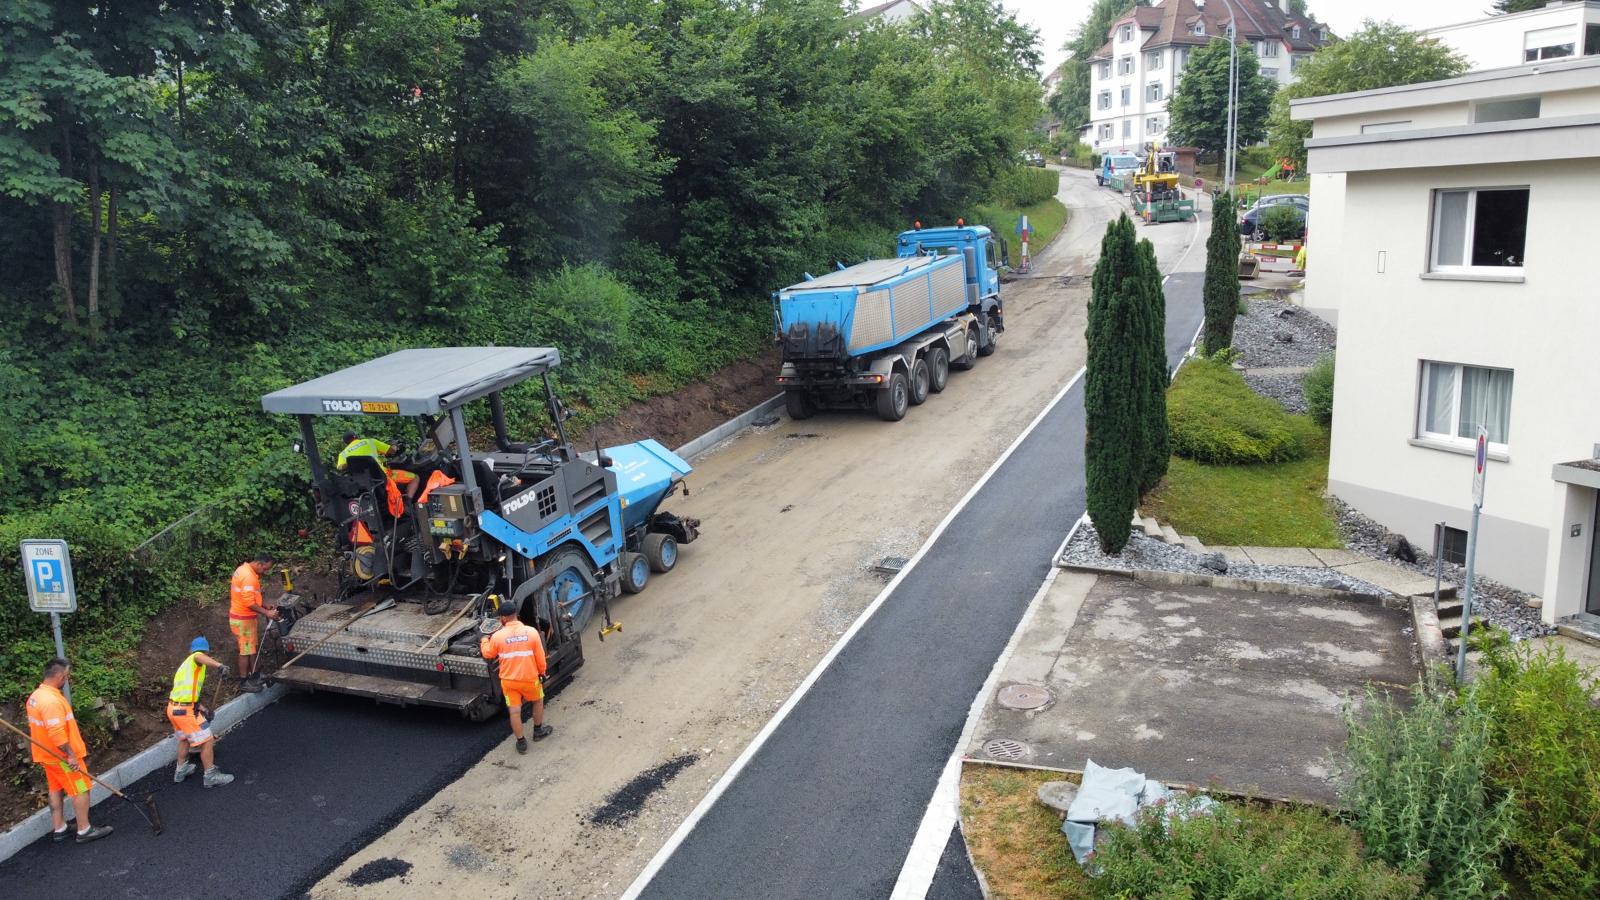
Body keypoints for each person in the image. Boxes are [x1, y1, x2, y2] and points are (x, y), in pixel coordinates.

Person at [26, 658, 112, 844]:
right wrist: (70, 756)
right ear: (59, 676)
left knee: (55, 789)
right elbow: (56, 733)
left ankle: (59, 828)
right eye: (66, 676)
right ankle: (84, 830)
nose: (67, 679)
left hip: (47, 757)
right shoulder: (51, 702)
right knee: (81, 788)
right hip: (62, 758)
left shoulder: (35, 696)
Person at [479, 595, 552, 754]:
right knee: (538, 701)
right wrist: (542, 673)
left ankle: (521, 742)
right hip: (529, 679)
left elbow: (488, 653)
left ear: (502, 618)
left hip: (508, 682)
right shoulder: (531, 632)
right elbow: (540, 658)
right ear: (516, 614)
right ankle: (538, 731)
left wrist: (484, 639)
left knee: (514, 711)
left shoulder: (497, 637)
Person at [167, 637, 235, 788]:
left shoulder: (185, 667)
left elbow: (187, 694)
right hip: (185, 712)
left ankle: (180, 771)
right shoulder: (195, 658)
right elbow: (198, 656)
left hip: (174, 708)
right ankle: (210, 776)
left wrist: (203, 709)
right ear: (206, 651)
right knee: (207, 740)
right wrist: (219, 666)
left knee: (184, 739)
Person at [230, 553, 279, 692]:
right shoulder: (248, 577)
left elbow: (251, 597)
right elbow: (249, 602)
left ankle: (255, 675)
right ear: (259, 564)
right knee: (245, 651)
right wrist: (267, 613)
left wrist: (264, 605)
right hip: (242, 619)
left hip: (245, 618)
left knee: (251, 649)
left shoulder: (244, 570)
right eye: (265, 569)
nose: (265, 572)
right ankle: (244, 682)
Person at [337, 432, 419, 504]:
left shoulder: (343, 454)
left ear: (346, 443)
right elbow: (392, 451)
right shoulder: (370, 442)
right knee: (415, 478)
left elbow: (340, 468)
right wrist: (394, 445)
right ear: (355, 436)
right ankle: (408, 503)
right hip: (383, 477)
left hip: (363, 484)